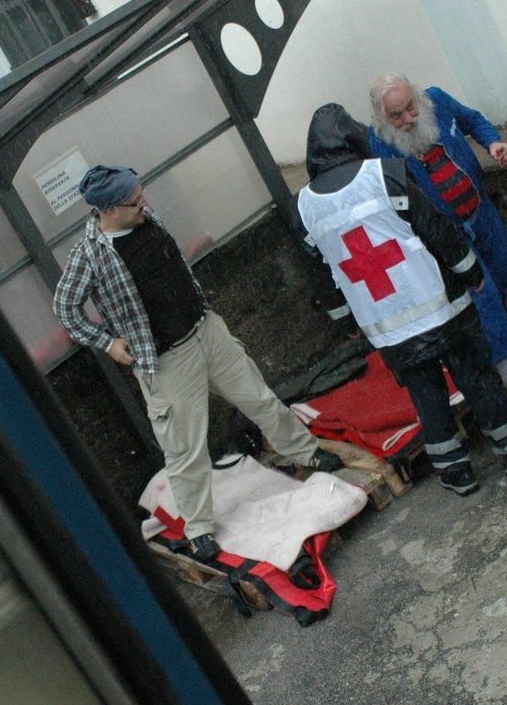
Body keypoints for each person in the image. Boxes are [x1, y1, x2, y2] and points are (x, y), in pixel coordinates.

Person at [54, 165, 343, 564]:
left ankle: (305, 453)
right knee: (185, 449)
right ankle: (200, 530)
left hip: (206, 330)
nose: (146, 203)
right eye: (135, 201)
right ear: (109, 210)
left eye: (143, 194)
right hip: (167, 359)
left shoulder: (144, 218)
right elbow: (64, 308)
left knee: (259, 398)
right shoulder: (89, 255)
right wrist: (106, 342)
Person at [294, 104, 507, 496]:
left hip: (388, 328)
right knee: (475, 378)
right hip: (440, 306)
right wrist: (472, 274)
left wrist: (346, 323)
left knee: (427, 396)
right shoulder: (385, 175)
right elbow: (437, 231)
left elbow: (323, 278)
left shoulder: (303, 207)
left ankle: (456, 473)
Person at [368, 73, 507, 406]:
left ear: (416, 97)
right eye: (397, 115)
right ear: (383, 117)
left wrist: (494, 142)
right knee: (485, 298)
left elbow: (474, 120)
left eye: (410, 107)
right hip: (448, 233)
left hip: (480, 213)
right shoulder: (380, 141)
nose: (408, 119)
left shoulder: (437, 99)